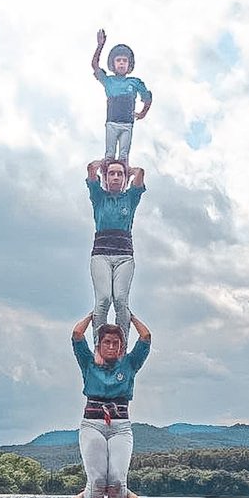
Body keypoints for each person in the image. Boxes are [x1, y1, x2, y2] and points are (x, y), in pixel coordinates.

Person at [71, 311, 151, 498]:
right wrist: (93, 314)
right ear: (99, 344)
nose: (111, 346)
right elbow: (77, 334)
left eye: (116, 343)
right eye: (107, 342)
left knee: (116, 480)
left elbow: (146, 338)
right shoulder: (89, 362)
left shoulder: (129, 364)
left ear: (121, 346)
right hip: (93, 423)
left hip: (120, 426)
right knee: (97, 481)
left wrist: (128, 315)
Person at [84, 161, 146, 342]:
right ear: (106, 177)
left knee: (120, 300)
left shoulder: (130, 198)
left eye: (120, 174)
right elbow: (90, 170)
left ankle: (122, 344)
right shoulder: (99, 197)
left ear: (125, 178)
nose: (116, 177)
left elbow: (140, 174)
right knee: (103, 299)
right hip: (101, 254)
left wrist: (129, 169)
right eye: (112, 174)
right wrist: (105, 163)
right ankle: (98, 344)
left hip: (124, 256)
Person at [91, 29, 152, 164]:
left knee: (124, 157)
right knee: (109, 156)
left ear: (129, 64)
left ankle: (123, 175)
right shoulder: (109, 81)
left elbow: (147, 97)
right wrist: (100, 45)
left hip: (127, 124)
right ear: (113, 64)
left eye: (125, 60)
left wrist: (142, 113)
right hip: (112, 123)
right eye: (118, 60)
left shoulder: (134, 82)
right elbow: (95, 66)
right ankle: (108, 177)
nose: (121, 63)